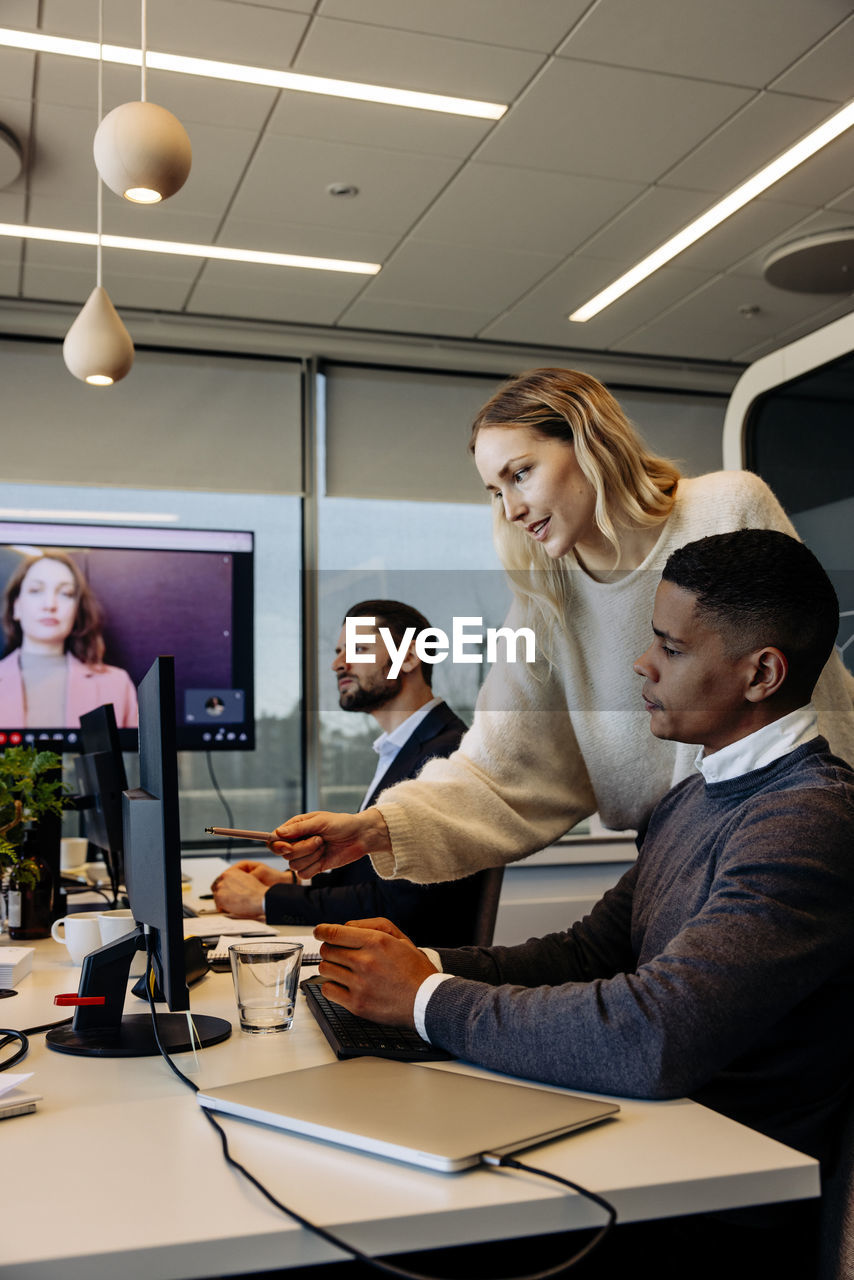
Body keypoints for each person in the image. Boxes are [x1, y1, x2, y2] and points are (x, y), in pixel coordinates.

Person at [311, 531, 854, 1278]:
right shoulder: (695, 795)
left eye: (671, 647)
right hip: (649, 1144)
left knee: (376, 1239)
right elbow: (587, 952)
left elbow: (654, 1034)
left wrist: (427, 1001)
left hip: (717, 1203)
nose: (643, 663)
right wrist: (415, 967)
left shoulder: (809, 820)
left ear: (760, 673)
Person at [270, 367, 854, 888]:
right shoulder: (546, 592)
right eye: (495, 492)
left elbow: (816, 704)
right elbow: (498, 769)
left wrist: (828, 830)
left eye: (521, 474)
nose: (512, 508)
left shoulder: (726, 509)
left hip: (782, 835)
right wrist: (375, 827)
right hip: (664, 862)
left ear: (589, 442)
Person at [210, 600, 485, 946]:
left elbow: (400, 903)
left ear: (410, 658)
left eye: (358, 648)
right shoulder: (403, 747)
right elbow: (372, 878)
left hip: (411, 969)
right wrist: (290, 883)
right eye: (340, 651)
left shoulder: (447, 754)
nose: (338, 663)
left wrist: (264, 901)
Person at [0, 551, 137, 729]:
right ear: (16, 607)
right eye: (36, 591)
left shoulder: (116, 684)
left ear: (77, 610)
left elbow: (137, 756)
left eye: (65, 593)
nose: (50, 604)